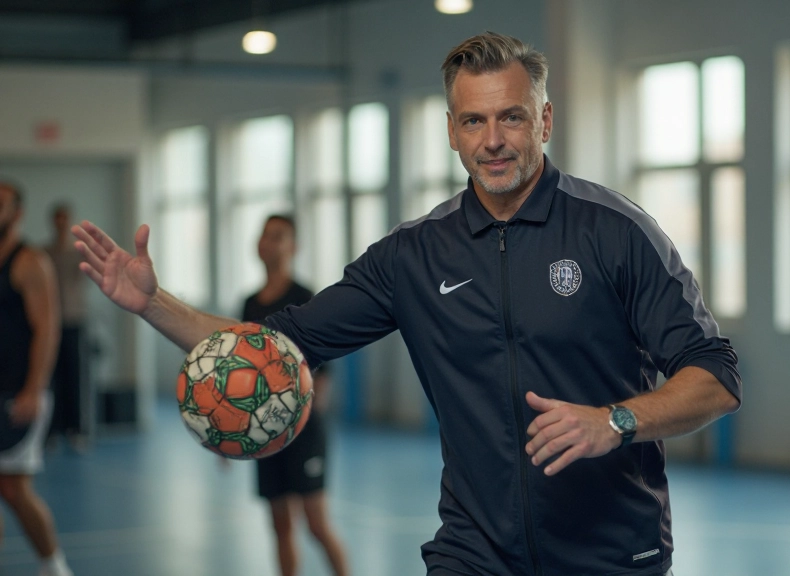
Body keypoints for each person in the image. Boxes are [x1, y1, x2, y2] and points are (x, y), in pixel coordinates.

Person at [72, 32, 741, 576]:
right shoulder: (415, 256)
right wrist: (152, 301)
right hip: (474, 553)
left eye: (511, 117)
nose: (494, 140)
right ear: (451, 131)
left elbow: (716, 375)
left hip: (610, 553)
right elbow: (273, 345)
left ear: (544, 119)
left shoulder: (614, 232)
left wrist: (615, 420)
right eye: (473, 121)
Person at [241, 214, 349, 576]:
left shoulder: (304, 298)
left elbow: (325, 370)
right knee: (280, 525)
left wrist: (302, 411)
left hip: (303, 432)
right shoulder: (249, 304)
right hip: (264, 433)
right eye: (265, 235)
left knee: (316, 525)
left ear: (294, 247)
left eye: (278, 236)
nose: (268, 242)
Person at [0, 181, 74, 576]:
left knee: (14, 489)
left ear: (16, 213)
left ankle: (54, 567)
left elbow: (48, 328)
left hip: (18, 394)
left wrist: (33, 390)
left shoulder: (29, 262)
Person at [44, 203, 89, 452]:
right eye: (58, 218)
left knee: (75, 378)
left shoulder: (79, 252)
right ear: (53, 221)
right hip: (50, 323)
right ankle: (50, 430)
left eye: (65, 218)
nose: (61, 223)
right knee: (50, 378)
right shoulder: (44, 252)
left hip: (74, 321)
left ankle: (76, 429)